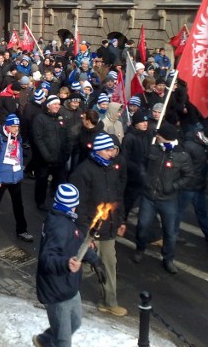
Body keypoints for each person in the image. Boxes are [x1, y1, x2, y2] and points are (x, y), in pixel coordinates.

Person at [33, 183, 105, 347]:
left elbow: (78, 242)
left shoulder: (66, 221)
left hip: (68, 285)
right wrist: (66, 264)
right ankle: (48, 341)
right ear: (70, 206)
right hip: (56, 291)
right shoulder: (59, 227)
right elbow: (47, 258)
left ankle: (43, 340)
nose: (76, 208)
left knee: (75, 323)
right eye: (75, 205)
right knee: (63, 341)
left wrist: (95, 260)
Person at [72, 133, 127, 316]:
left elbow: (117, 196)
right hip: (91, 229)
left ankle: (109, 302)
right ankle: (60, 287)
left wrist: (120, 220)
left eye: (113, 149)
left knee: (109, 263)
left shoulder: (112, 168)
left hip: (109, 227)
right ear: (99, 151)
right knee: (84, 266)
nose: (113, 153)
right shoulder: (83, 171)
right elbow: (78, 205)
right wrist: (86, 231)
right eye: (109, 150)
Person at [133, 122, 194, 274]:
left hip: (168, 199)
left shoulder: (182, 156)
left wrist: (173, 186)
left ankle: (168, 259)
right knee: (142, 225)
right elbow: (143, 163)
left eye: (159, 134)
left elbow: (188, 175)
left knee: (169, 232)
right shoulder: (153, 149)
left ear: (165, 138)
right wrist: (144, 178)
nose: (156, 136)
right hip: (149, 196)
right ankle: (140, 248)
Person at [0, 114, 33, 241]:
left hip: (15, 177)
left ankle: (22, 230)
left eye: (17, 126)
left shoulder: (18, 138)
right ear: (7, 126)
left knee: (18, 205)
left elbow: (19, 156)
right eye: (13, 126)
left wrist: (20, 172)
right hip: (2, 178)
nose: (16, 129)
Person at [32, 95, 69, 211]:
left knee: (60, 181)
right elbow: (38, 139)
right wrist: (46, 155)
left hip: (59, 158)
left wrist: (65, 153)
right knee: (42, 181)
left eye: (58, 104)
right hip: (45, 159)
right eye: (55, 104)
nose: (58, 106)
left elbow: (66, 137)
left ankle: (58, 201)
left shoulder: (61, 119)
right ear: (48, 106)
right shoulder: (40, 118)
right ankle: (40, 202)